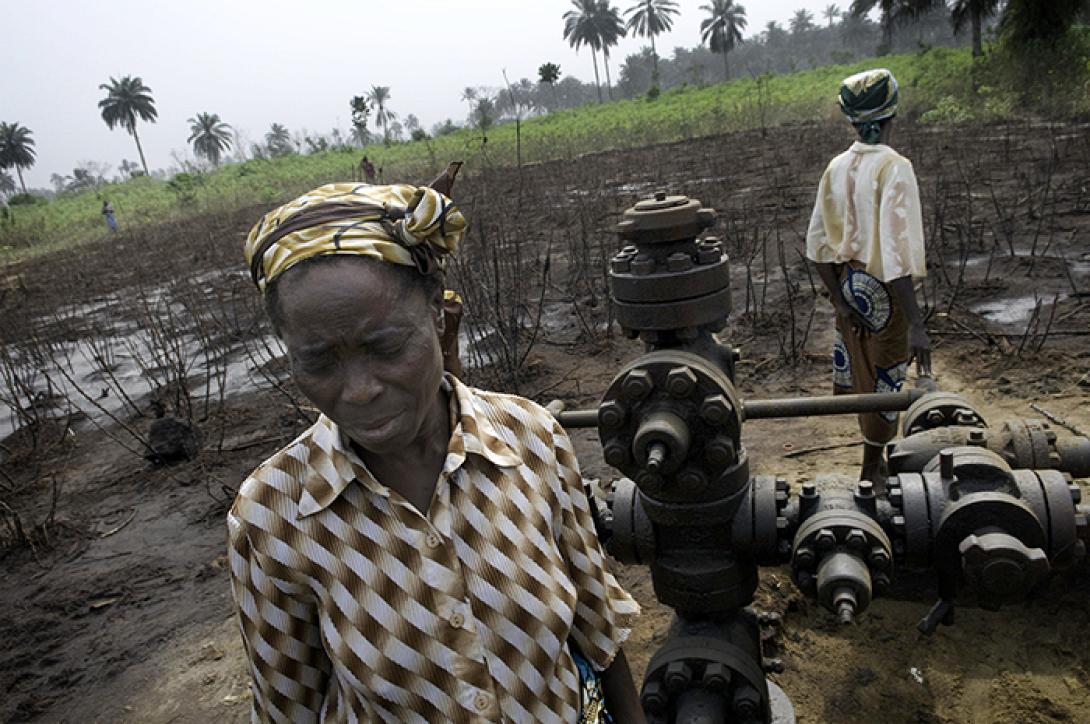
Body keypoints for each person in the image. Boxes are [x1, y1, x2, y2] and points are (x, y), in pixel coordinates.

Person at [230, 179, 644, 723]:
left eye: (386, 347)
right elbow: (290, 711)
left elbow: (598, 630)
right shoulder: (272, 516)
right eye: (318, 361)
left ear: (437, 314)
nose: (358, 390)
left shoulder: (530, 439)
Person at [805, 68, 931, 487]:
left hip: (850, 289)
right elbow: (896, 254)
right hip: (884, 295)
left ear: (852, 120)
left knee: (867, 375)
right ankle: (872, 471)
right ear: (891, 115)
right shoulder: (895, 167)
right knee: (888, 381)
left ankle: (872, 464)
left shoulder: (836, 166)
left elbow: (818, 242)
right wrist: (916, 322)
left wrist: (840, 302)